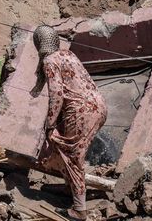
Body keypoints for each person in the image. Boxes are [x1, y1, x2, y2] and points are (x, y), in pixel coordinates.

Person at [32, 25, 108, 221]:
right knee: (66, 150)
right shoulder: (68, 54)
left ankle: (79, 209)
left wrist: (49, 124)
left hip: (80, 110)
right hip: (98, 106)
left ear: (39, 44)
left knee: (73, 156)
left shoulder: (50, 61)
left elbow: (57, 94)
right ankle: (71, 189)